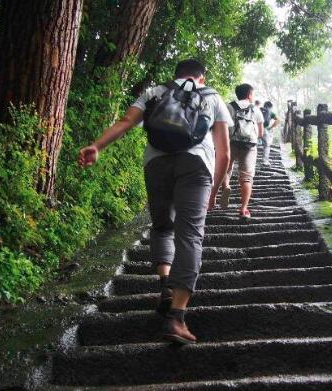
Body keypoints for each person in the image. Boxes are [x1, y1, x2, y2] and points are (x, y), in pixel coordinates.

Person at [78, 59, 232, 345]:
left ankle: (165, 286)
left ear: (176, 75)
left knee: (163, 227)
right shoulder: (212, 97)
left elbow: (126, 121)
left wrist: (96, 146)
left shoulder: (155, 92)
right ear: (202, 77)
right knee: (190, 236)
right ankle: (176, 318)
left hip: (156, 164)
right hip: (196, 165)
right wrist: (214, 188)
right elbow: (224, 152)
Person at [218, 84, 264, 218]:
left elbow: (223, 127)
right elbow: (260, 133)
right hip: (249, 146)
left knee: (226, 168)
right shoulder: (255, 109)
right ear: (250, 94)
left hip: (231, 143)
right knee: (246, 177)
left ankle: (226, 185)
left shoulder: (229, 106)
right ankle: (243, 209)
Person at [260, 101, 280, 166]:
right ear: (271, 107)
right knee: (266, 145)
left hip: (255, 129)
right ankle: (265, 161)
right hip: (264, 130)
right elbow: (278, 120)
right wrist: (270, 127)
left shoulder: (258, 109)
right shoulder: (271, 112)